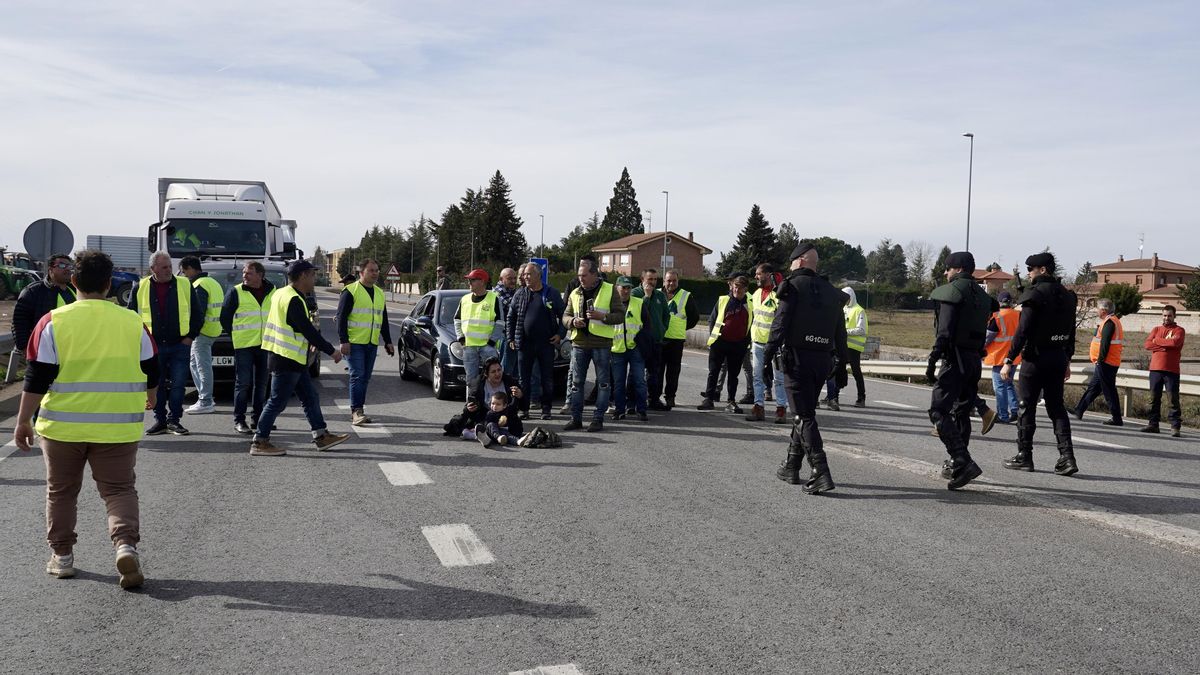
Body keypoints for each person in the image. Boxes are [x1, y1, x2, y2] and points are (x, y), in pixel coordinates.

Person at [13, 250, 156, 589]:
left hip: (62, 428)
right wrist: (152, 396)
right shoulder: (132, 322)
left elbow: (36, 377)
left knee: (61, 492)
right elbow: (153, 367)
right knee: (119, 490)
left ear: (74, 280)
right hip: (117, 427)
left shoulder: (52, 321)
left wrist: (22, 420)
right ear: (109, 284)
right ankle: (125, 545)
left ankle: (62, 557)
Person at [764, 242, 847, 495]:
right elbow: (840, 333)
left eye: (792, 262)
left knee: (802, 416)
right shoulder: (832, 292)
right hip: (823, 361)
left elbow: (780, 324)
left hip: (797, 360)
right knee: (805, 412)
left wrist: (767, 357)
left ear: (799, 261)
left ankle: (820, 471)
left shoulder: (792, 287)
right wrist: (842, 365)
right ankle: (791, 465)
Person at [250, 260, 349, 456]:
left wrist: (309, 342)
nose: (314, 279)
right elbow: (308, 330)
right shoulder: (293, 299)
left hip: (290, 356)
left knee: (310, 397)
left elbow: (294, 327)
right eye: (312, 274)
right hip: (286, 358)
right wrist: (332, 351)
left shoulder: (282, 293)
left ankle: (321, 435)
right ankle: (259, 441)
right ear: (303, 275)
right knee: (277, 402)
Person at [1000, 252, 1079, 476]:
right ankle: (1067, 457)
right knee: (1057, 408)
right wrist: (1067, 359)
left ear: (1042, 270)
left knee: (1026, 407)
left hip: (1035, 359)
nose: (1028, 273)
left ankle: (1024, 455)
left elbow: (1023, 331)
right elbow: (1071, 331)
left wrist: (1009, 359)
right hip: (1058, 358)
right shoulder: (1068, 296)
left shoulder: (1034, 295)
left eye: (1031, 269)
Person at [925, 251, 997, 490]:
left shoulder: (952, 292)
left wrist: (933, 359)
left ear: (957, 269)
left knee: (938, 411)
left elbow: (944, 331)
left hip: (954, 359)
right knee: (962, 413)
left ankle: (962, 460)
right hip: (974, 360)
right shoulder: (983, 296)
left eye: (947, 268)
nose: (945, 273)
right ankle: (958, 465)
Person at [128, 250, 202, 436]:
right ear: (153, 269)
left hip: (180, 344)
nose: (169, 270)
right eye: (164, 267)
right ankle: (160, 420)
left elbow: (197, 314)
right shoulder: (140, 286)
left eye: (170, 266)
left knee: (178, 385)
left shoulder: (184, 284)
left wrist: (189, 338)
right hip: (152, 346)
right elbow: (130, 317)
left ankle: (174, 420)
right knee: (156, 385)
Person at [562, 259, 624, 432]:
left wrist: (602, 316)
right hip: (579, 343)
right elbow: (565, 316)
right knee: (576, 383)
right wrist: (573, 321)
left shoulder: (609, 289)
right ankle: (576, 418)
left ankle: (598, 419)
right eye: (579, 275)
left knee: (603, 383)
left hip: (601, 344)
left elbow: (620, 315)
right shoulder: (575, 292)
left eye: (584, 275)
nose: (580, 279)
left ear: (594, 274)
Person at [336, 259, 395, 426]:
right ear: (361, 273)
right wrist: (343, 340)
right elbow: (341, 318)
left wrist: (388, 341)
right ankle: (356, 411)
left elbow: (383, 318)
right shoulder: (350, 291)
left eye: (376, 270)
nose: (375, 273)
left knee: (365, 378)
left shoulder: (379, 293)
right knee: (357, 375)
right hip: (354, 342)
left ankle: (359, 409)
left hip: (371, 342)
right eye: (371, 270)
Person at [220, 260, 275, 435]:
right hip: (244, 345)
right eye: (244, 272)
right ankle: (239, 420)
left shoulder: (273, 291)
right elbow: (225, 318)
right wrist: (236, 334)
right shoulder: (235, 292)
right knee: (243, 383)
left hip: (265, 344)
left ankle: (258, 419)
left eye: (249, 273)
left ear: (260, 275)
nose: (244, 276)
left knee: (262, 384)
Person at [507, 262, 564, 420]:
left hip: (546, 344)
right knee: (523, 379)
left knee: (547, 378)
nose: (525, 277)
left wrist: (560, 334)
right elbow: (511, 317)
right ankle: (523, 409)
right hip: (524, 344)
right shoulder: (520, 294)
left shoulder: (551, 293)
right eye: (524, 274)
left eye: (529, 274)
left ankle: (546, 410)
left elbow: (563, 314)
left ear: (539, 275)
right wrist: (510, 338)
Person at [698, 274, 752, 413]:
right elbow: (712, 319)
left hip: (738, 345)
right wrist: (714, 338)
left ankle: (731, 401)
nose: (737, 290)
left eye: (740, 288)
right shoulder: (723, 300)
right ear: (732, 286)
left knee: (733, 375)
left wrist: (745, 343)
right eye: (735, 286)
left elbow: (751, 324)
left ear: (746, 289)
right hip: (720, 343)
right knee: (713, 372)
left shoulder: (750, 304)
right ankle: (709, 399)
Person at [178, 256, 223, 415]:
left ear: (191, 268)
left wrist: (191, 333)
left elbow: (198, 313)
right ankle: (204, 398)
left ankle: (206, 401)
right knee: (195, 364)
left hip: (202, 332)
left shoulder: (199, 286)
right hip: (212, 329)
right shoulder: (213, 282)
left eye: (184, 272)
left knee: (202, 366)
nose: (184, 275)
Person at [745, 263, 789, 423]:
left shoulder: (778, 294)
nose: (755, 277)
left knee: (779, 379)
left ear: (768, 275)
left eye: (758, 274)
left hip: (775, 345)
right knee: (757, 376)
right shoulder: (756, 294)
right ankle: (758, 407)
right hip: (757, 342)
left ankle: (781, 409)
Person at [1072, 298, 1125, 425]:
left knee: (1109, 390)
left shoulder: (1109, 322)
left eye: (1097, 308)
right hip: (1107, 361)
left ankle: (1117, 418)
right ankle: (1079, 410)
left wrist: (1100, 360)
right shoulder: (1111, 321)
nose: (1096, 311)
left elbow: (1105, 344)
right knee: (1094, 387)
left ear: (1103, 310)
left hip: (1106, 362)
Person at [12, 253, 76, 352]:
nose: (67, 269)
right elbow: (20, 322)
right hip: (45, 350)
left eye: (69, 266)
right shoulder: (34, 291)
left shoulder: (76, 290)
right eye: (62, 265)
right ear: (50, 269)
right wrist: (25, 348)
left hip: (72, 349)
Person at [610, 275, 652, 421]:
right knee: (618, 383)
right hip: (617, 349)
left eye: (628, 288)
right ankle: (619, 410)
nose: (626, 291)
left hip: (635, 348)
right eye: (623, 288)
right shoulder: (610, 304)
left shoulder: (639, 303)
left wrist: (642, 342)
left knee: (639, 381)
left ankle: (641, 410)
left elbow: (647, 325)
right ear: (617, 288)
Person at [452, 357, 525, 438]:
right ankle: (490, 435)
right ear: (486, 374)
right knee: (488, 425)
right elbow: (468, 409)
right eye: (493, 372)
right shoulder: (478, 385)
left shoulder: (510, 381)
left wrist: (521, 395)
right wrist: (469, 409)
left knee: (516, 430)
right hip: (486, 418)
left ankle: (487, 435)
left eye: (499, 370)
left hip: (507, 418)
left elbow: (524, 406)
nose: (497, 374)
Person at [631, 268, 671, 411]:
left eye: (655, 279)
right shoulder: (635, 293)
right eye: (650, 279)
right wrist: (646, 297)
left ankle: (653, 400)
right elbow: (637, 313)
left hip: (656, 341)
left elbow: (666, 315)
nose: (653, 282)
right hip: (639, 341)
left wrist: (662, 329)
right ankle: (633, 402)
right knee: (636, 373)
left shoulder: (660, 295)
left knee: (655, 373)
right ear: (642, 280)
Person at [1142, 304, 1185, 437]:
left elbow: (1174, 343)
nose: (1166, 318)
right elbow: (1147, 344)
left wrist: (1157, 341)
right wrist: (1164, 346)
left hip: (1171, 370)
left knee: (1172, 399)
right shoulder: (1156, 329)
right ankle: (1153, 424)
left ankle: (1175, 426)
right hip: (1155, 369)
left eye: (1169, 316)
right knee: (1153, 398)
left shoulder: (1179, 330)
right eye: (1165, 315)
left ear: (1174, 316)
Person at [823, 286, 869, 410]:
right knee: (837, 371)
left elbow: (862, 329)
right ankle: (833, 396)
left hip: (854, 347)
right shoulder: (841, 309)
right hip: (841, 345)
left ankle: (861, 397)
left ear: (851, 297)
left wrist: (845, 332)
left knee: (856, 372)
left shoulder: (859, 310)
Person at [660, 269, 698, 410]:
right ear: (664, 281)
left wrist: (682, 327)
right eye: (669, 280)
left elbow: (694, 317)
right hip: (659, 339)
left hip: (676, 340)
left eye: (674, 281)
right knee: (657, 371)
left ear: (678, 281)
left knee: (673, 372)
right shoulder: (657, 294)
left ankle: (670, 397)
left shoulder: (686, 295)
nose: (671, 283)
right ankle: (654, 397)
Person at [454, 268, 502, 379]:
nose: (469, 283)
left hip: (487, 347)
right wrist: (461, 338)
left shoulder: (494, 298)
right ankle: (471, 392)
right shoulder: (465, 299)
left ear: (482, 281)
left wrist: (491, 342)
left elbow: (500, 323)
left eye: (472, 280)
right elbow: (457, 320)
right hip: (469, 347)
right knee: (471, 380)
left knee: (493, 378)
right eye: (469, 280)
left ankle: (490, 392)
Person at [983, 290, 1021, 424]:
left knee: (999, 387)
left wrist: (978, 348)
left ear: (999, 302)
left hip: (999, 357)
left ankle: (1003, 415)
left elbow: (987, 338)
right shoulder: (1018, 315)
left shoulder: (997, 318)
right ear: (1011, 302)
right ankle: (1015, 411)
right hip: (1014, 357)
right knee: (1008, 383)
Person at [493, 267, 519, 376]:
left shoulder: (512, 291)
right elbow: (514, 306)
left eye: (514, 278)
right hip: (505, 335)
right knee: (506, 369)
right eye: (509, 278)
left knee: (514, 368)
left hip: (512, 334)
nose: (513, 281)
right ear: (501, 279)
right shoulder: (499, 292)